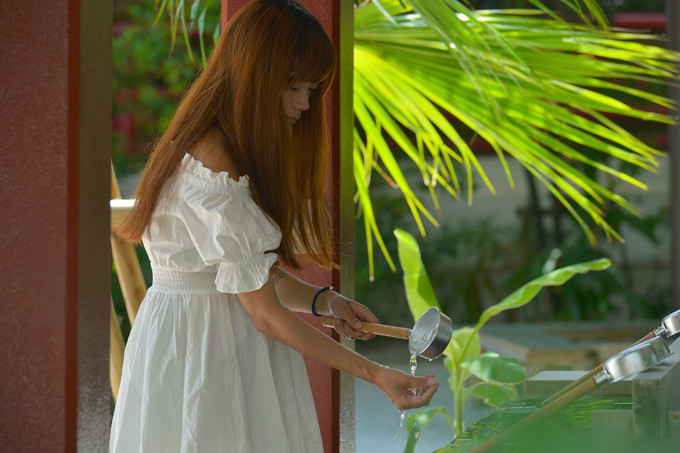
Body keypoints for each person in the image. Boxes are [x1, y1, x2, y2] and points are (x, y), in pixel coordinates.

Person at [109, 1, 439, 452]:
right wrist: (376, 374)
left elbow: (245, 279)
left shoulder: (212, 144)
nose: (305, 103)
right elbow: (263, 312)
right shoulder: (215, 172)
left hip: (207, 337)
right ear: (255, 76)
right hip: (205, 351)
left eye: (311, 88)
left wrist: (326, 301)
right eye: (294, 86)